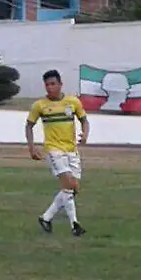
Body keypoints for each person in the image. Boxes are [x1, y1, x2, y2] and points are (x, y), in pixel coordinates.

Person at [26, 69, 89, 236]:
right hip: (54, 150)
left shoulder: (72, 102)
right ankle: (75, 225)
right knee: (68, 185)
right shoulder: (40, 105)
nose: (50, 87)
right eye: (47, 85)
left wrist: (85, 135)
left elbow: (84, 120)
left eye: (53, 84)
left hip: (71, 150)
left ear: (61, 84)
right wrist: (32, 147)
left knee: (73, 188)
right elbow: (29, 126)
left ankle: (46, 217)